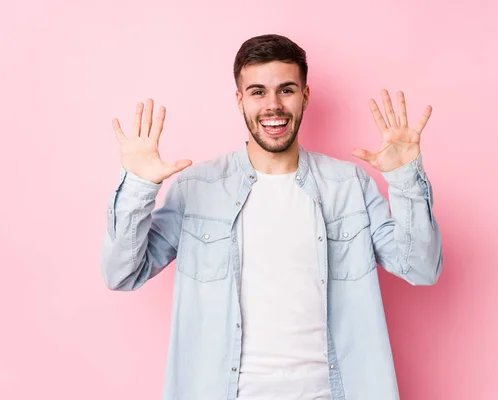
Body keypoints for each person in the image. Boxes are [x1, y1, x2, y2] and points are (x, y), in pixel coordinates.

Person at [101, 33, 443, 400]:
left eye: (286, 90)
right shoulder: (196, 188)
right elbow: (122, 273)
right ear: (240, 100)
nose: (273, 106)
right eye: (258, 92)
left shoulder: (349, 186)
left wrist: (405, 178)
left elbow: (421, 268)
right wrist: (138, 186)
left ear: (305, 97)